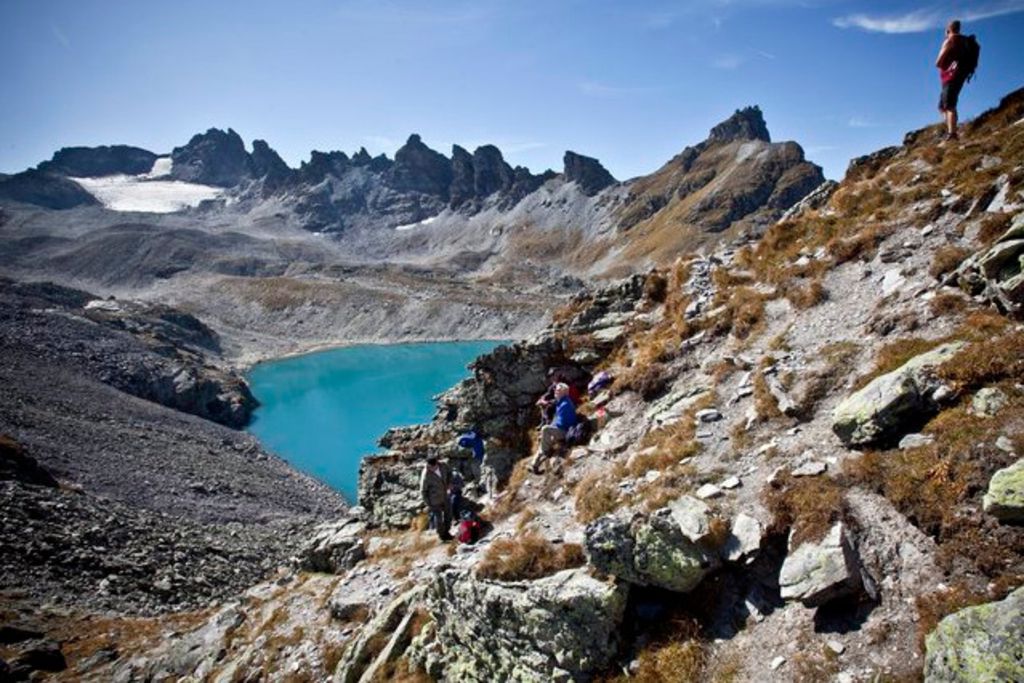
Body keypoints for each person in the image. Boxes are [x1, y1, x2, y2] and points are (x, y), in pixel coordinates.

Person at [531, 383, 578, 474]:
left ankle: (541, 458)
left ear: (564, 393)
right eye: (556, 389)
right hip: (560, 429)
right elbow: (557, 419)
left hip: (566, 431)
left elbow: (562, 423)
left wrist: (552, 431)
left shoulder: (565, 404)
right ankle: (535, 464)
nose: (556, 391)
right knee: (543, 437)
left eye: (558, 390)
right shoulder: (560, 401)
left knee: (545, 429)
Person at [936, 19, 967, 141]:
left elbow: (938, 63)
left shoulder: (950, 40)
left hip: (950, 76)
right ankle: (952, 127)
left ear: (948, 30)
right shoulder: (964, 41)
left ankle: (952, 134)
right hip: (960, 75)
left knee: (948, 105)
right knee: (943, 105)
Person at [419, 455, 452, 541]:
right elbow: (423, 491)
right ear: (428, 465)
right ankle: (442, 536)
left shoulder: (443, 465)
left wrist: (449, 483)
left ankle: (447, 532)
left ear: (437, 463)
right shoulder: (425, 475)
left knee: (449, 515)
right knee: (439, 519)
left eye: (435, 466)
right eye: (431, 467)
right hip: (434, 500)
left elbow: (449, 473)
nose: (433, 469)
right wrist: (429, 504)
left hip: (445, 495)